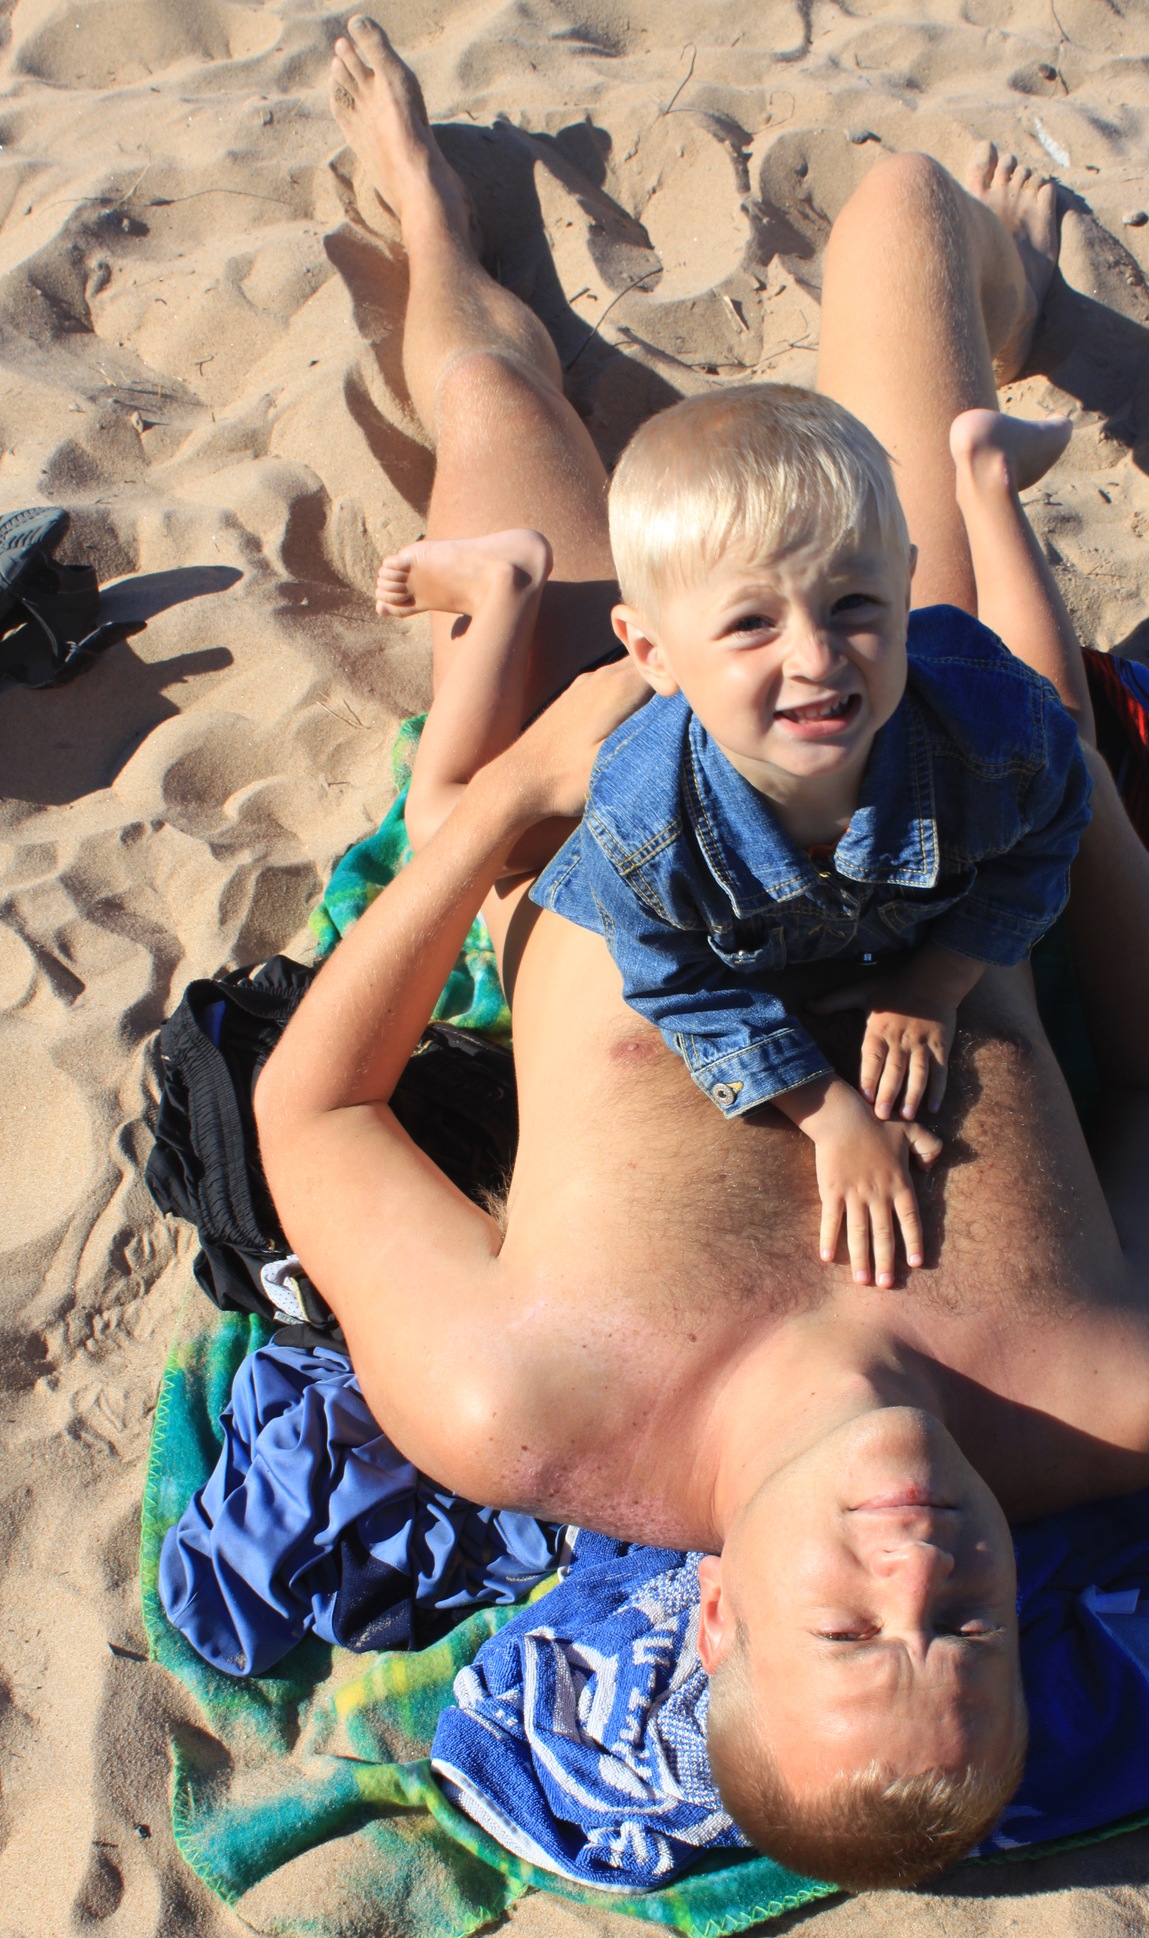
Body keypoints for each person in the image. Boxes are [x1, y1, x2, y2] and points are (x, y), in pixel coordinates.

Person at [254, 17, 1149, 1889]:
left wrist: (511, 791)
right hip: (883, 720)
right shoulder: (1106, 1387)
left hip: (600, 756)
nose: (919, 1570)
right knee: (898, 212)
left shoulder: (521, 1404)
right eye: (972, 1627)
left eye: (849, 1632)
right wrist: (1044, 757)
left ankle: (431, 213)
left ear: (714, 1618)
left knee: (495, 389)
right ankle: (1008, 291)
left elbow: (314, 1111)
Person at [373, 387, 1091, 1288]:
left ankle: (986, 477)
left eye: (853, 603)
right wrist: (826, 1112)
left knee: (1067, 733)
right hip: (646, 744)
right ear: (649, 651)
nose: (816, 657)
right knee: (450, 820)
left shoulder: (991, 731)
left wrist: (934, 983)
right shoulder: (641, 825)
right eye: (755, 621)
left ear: (905, 587)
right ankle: (503, 587)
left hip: (769, 707)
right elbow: (678, 984)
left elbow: (1046, 835)